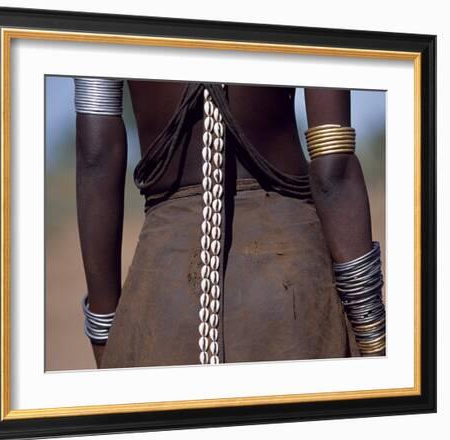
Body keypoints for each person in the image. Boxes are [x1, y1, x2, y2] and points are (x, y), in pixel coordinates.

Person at [74, 78, 385, 369]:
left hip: (163, 294)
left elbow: (95, 155)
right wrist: (372, 338)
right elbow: (333, 171)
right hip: (291, 284)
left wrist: (108, 345)